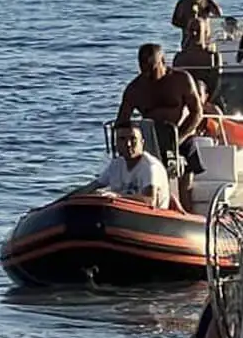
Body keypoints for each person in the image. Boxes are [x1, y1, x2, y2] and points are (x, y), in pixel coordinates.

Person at [117, 42, 206, 202]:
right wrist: (126, 143)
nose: (148, 73)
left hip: (180, 134)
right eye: (143, 67)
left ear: (163, 62)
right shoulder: (135, 89)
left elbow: (197, 112)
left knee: (189, 152)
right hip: (149, 138)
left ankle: (186, 204)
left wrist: (179, 138)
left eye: (152, 67)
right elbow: (121, 121)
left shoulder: (182, 80)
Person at [92, 121, 173, 209]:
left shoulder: (150, 166)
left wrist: (117, 197)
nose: (128, 144)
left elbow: (150, 200)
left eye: (133, 139)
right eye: (122, 139)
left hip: (150, 217)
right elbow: (92, 187)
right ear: (117, 143)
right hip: (121, 212)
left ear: (142, 143)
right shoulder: (116, 164)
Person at [173, 16, 221, 102]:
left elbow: (215, 84)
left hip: (206, 97)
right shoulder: (179, 57)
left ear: (205, 32)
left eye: (198, 31)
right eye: (191, 30)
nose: (194, 34)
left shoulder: (213, 57)